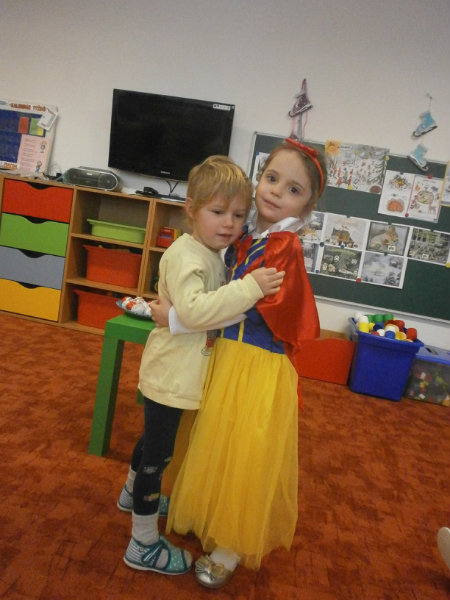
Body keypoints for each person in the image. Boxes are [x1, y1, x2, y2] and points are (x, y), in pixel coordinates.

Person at [163, 138, 327, 588]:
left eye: (293, 189)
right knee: (217, 438)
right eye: (271, 178)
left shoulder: (283, 247)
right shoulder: (249, 236)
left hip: (256, 365)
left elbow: (250, 309)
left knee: (246, 453)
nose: (276, 192)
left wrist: (178, 319)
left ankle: (231, 545)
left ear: (308, 204)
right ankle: (209, 512)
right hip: (230, 358)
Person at [120, 155, 285, 576]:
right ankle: (142, 543)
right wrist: (248, 289)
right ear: (191, 208)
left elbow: (205, 311)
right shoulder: (188, 256)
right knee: (158, 457)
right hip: (171, 375)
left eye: (238, 215)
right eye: (218, 212)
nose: (229, 223)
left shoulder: (211, 253)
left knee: (153, 442)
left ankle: (130, 493)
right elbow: (195, 311)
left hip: (178, 374)